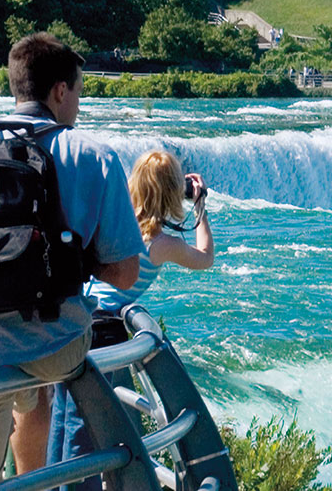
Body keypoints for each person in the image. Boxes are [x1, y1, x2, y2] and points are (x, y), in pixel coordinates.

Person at [0, 33, 143, 490]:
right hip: (57, 346)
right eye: (78, 93)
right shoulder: (91, 155)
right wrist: (70, 263)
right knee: (50, 376)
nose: (78, 106)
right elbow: (126, 273)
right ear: (58, 91)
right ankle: (40, 475)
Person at [48, 150, 213, 491]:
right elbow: (205, 258)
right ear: (171, 194)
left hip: (73, 319)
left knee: (62, 419)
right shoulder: (162, 242)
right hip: (103, 334)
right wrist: (200, 207)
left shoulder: (115, 223)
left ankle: (54, 485)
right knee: (87, 428)